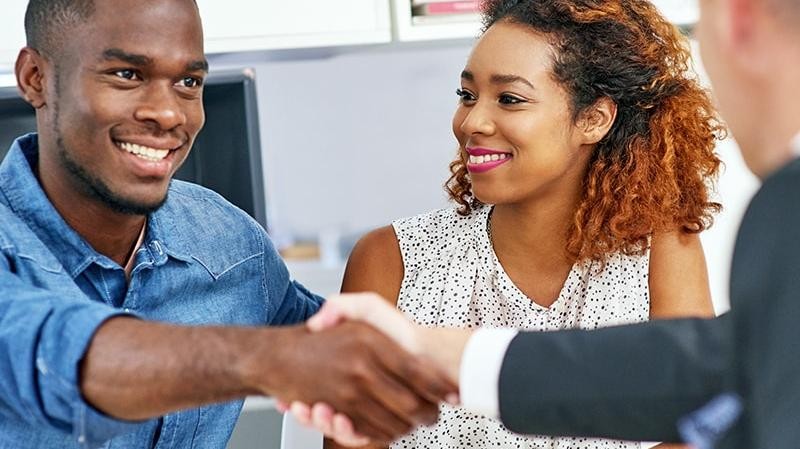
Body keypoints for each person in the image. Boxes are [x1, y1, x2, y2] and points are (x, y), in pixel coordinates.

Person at [295, 0, 800, 447]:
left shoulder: (665, 249)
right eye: (467, 94)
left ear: (594, 120)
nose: (472, 122)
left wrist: (456, 361)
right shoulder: (391, 259)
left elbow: (692, 408)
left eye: (509, 98)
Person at [0, 0, 456, 447]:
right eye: (127, 75)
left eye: (188, 81)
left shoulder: (228, 241)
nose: (168, 113)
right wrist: (269, 361)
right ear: (35, 78)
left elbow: (337, 350)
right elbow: (57, 351)